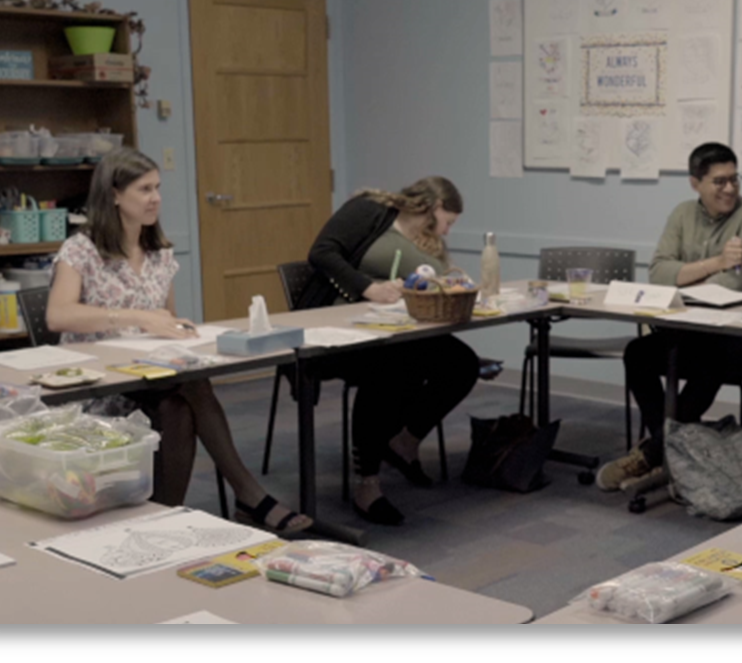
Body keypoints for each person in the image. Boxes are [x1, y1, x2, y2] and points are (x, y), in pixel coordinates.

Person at [48, 149, 312, 535]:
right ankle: (246, 496)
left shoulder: (159, 253)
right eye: (144, 189)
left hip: (151, 377)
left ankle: (165, 518)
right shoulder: (82, 250)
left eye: (157, 188)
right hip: (100, 387)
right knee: (187, 393)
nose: (155, 197)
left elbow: (166, 321)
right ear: (115, 195)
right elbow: (58, 315)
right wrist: (137, 318)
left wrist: (178, 330)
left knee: (181, 401)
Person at [598, 143, 742, 491]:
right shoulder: (682, 214)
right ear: (695, 183)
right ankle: (671, 454)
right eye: (719, 182)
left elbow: (735, 284)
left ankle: (654, 453)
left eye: (734, 179)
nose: (730, 189)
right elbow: (658, 272)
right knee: (639, 353)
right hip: (689, 332)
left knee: (709, 355)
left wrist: (687, 276)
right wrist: (716, 263)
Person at [302, 177, 480, 526]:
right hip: (342, 328)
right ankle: (366, 484)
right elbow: (321, 253)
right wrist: (369, 288)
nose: (447, 231)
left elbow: (440, 278)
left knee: (461, 363)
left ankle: (404, 442)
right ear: (435, 206)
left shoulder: (428, 240)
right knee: (394, 369)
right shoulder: (370, 210)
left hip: (399, 328)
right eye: (449, 221)